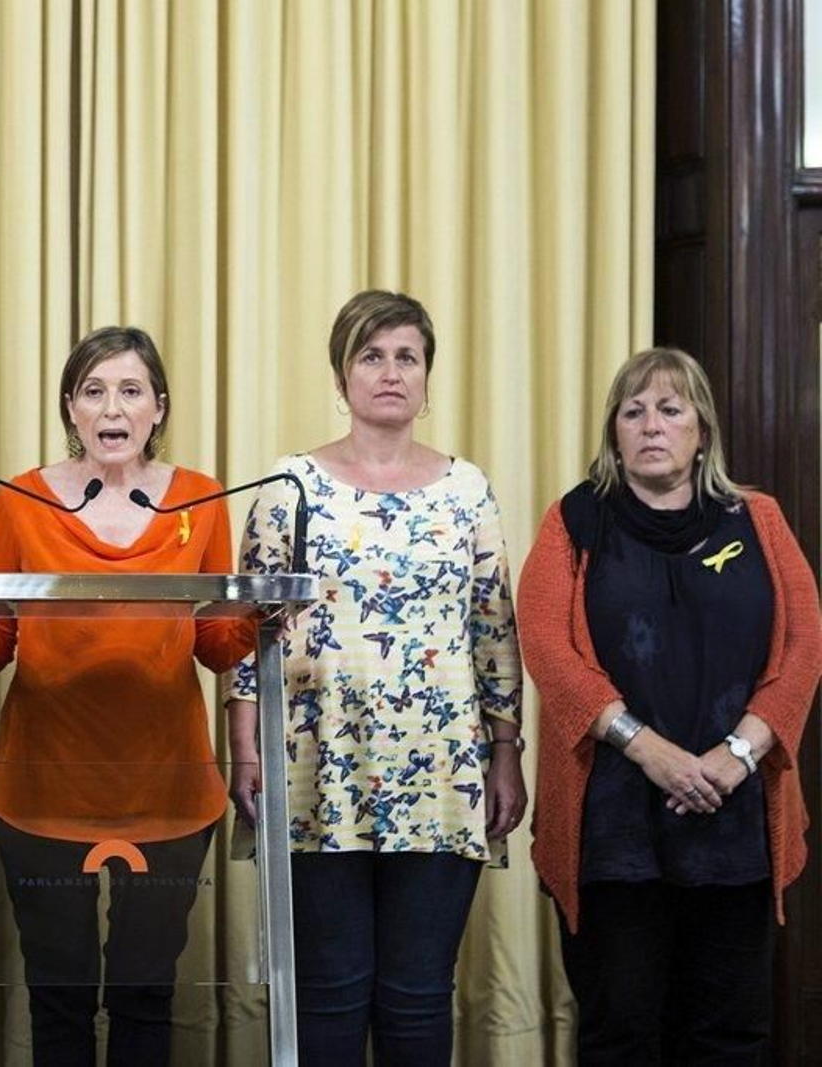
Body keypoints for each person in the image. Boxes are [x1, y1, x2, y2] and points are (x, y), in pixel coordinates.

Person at [0, 325, 255, 1066]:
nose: (113, 406)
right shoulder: (17, 499)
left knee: (147, 994)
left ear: (157, 408)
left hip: (168, 793)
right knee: (59, 993)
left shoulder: (204, 499)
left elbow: (214, 645)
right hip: (42, 789)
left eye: (130, 390)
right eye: (94, 390)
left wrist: (261, 624)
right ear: (71, 408)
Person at [224, 290, 525, 1066]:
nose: (390, 372)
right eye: (371, 355)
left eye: (406, 357)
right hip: (317, 772)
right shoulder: (290, 487)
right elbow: (246, 634)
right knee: (328, 994)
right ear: (341, 374)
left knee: (419, 999)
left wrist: (506, 752)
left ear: (427, 378)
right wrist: (246, 752)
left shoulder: (467, 489)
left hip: (441, 774)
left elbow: (494, 628)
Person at [518, 346, 821, 1063]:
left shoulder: (760, 520)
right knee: (621, 1033)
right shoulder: (574, 520)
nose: (651, 423)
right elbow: (547, 650)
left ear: (702, 431)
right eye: (634, 410)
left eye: (670, 408)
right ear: (614, 434)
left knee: (729, 1033)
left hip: (735, 813)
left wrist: (737, 754)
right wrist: (649, 749)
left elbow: (804, 648)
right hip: (613, 823)